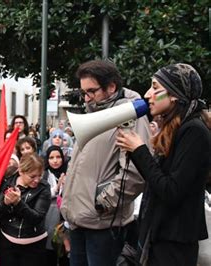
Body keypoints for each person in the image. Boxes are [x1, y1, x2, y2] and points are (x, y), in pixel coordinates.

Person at [116, 63, 210, 265]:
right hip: (161, 235)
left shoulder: (194, 131)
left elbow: (170, 190)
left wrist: (139, 151)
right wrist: (134, 151)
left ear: (175, 95)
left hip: (174, 242)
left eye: (156, 88)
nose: (148, 94)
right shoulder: (177, 128)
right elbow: (157, 179)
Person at [60, 60, 151, 266]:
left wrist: (104, 203)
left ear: (111, 87)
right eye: (83, 92)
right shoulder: (95, 112)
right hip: (80, 221)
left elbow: (136, 171)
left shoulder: (129, 115)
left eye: (91, 91)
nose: (86, 98)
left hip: (103, 224)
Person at [0, 153, 51, 266]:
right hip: (7, 245)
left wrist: (18, 203)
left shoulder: (44, 187)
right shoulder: (7, 182)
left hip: (34, 246)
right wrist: (5, 203)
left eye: (40, 175)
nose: (37, 180)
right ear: (21, 171)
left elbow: (36, 218)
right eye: (32, 176)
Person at [42, 145, 68, 265]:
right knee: (50, 253)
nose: (55, 160)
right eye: (51, 157)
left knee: (65, 254)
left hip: (66, 219)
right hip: (49, 219)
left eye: (58, 157)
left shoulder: (69, 172)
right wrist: (56, 188)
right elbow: (42, 195)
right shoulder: (44, 175)